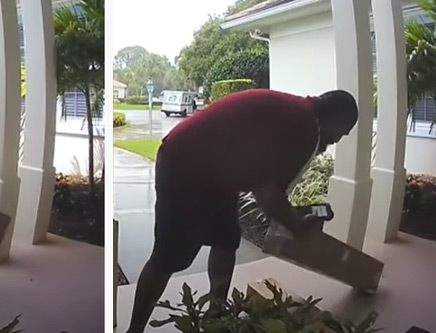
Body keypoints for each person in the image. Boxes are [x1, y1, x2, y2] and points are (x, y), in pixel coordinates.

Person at [125, 89, 359, 333]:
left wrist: (293, 216)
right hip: (186, 167)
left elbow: (270, 185)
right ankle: (135, 330)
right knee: (168, 257)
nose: (337, 141)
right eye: (342, 133)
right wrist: (297, 227)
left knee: (226, 239)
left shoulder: (299, 115)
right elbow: (267, 195)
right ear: (336, 119)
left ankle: (216, 315)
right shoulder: (306, 127)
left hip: (217, 174)